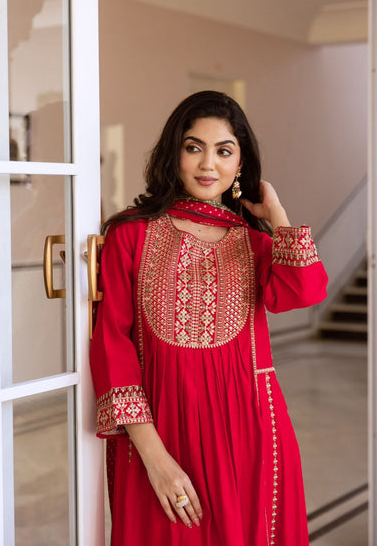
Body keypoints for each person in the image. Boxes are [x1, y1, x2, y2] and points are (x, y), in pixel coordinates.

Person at [90, 91, 328, 546]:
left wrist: (275, 215)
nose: (207, 164)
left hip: (251, 435)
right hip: (159, 433)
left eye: (224, 151)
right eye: (194, 147)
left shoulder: (256, 243)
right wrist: (155, 459)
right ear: (174, 153)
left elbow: (306, 291)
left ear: (240, 165)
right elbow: (112, 343)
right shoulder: (131, 233)